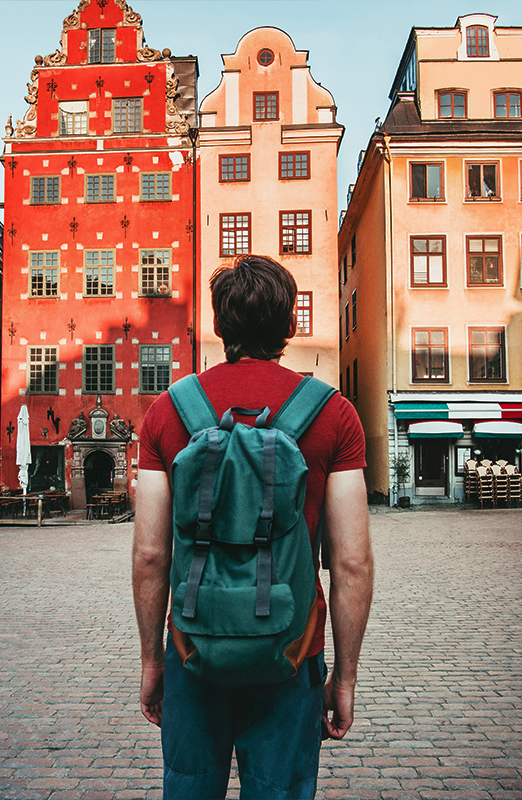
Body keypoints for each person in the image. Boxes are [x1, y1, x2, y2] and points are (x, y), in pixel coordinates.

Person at [133, 255, 374, 799]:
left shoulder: (168, 413)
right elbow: (352, 562)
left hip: (195, 649)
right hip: (292, 654)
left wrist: (153, 661)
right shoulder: (333, 414)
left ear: (218, 326)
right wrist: (346, 676)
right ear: (290, 326)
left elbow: (151, 555)